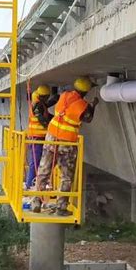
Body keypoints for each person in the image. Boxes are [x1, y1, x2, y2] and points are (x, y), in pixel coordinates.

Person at [33, 77, 99, 215]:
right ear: (86, 91)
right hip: (66, 142)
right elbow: (88, 118)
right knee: (66, 175)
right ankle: (61, 207)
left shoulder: (64, 96)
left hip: (51, 137)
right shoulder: (82, 105)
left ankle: (36, 201)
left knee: (44, 170)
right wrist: (93, 105)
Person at [25, 85, 58, 189]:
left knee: (41, 161)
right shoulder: (37, 105)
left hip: (39, 137)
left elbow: (47, 106)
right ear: (43, 96)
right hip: (37, 138)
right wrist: (55, 124)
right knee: (36, 162)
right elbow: (44, 121)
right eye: (47, 97)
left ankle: (36, 183)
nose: (47, 99)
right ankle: (30, 184)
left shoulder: (39, 102)